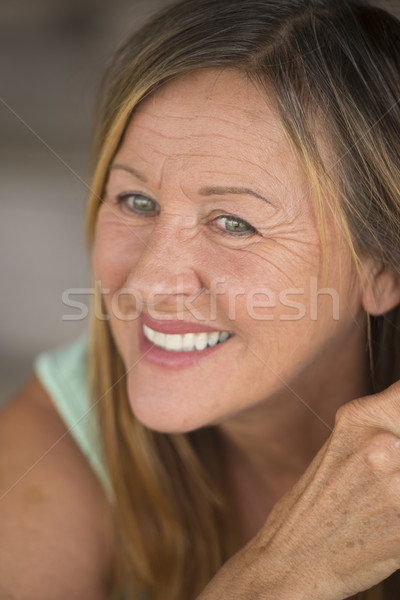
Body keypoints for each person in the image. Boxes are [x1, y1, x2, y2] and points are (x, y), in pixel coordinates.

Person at [1, 0, 400, 598]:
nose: (146, 284)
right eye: (136, 202)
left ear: (385, 270)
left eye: (234, 223)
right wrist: (285, 574)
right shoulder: (61, 431)